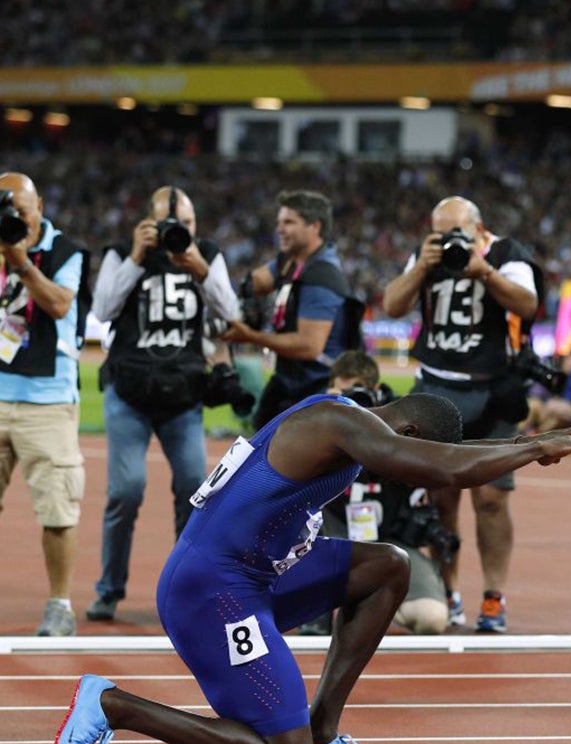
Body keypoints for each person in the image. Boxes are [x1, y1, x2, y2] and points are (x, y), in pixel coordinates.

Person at [53, 391, 571, 744]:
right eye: (413, 456)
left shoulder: (352, 423)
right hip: (213, 594)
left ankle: (322, 732)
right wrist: (532, 450)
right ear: (407, 437)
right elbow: (446, 470)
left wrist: (518, 443)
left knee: (387, 566)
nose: (409, 474)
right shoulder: (337, 423)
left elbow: (442, 457)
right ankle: (114, 705)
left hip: (255, 575)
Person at [381, 196, 541, 633]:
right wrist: (420, 267)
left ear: (479, 228)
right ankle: (448, 590)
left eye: (457, 232)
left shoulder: (507, 255)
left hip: (491, 390)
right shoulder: (426, 255)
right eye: (439, 232)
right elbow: (392, 306)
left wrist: (483, 271)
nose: (449, 240)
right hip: (435, 388)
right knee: (440, 499)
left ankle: (493, 596)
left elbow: (528, 305)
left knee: (491, 499)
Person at [86, 185, 241, 622]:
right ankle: (109, 589)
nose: (179, 231)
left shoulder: (207, 255)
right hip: (129, 393)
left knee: (195, 490)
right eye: (170, 223)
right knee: (125, 490)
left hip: (183, 396)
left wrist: (201, 269)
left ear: (197, 225)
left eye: (187, 224)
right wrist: (137, 257)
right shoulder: (123, 253)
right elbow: (101, 309)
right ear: (147, 224)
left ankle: (185, 592)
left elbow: (232, 313)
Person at [300, 350, 454, 636]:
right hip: (333, 534)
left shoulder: (403, 424)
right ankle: (316, 603)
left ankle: (375, 600)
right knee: (305, 521)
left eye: (356, 392)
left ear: (375, 391)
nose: (350, 401)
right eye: (342, 393)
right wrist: (327, 412)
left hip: (387, 537)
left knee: (431, 619)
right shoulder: (315, 420)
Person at [0, 172, 90, 637]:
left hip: (47, 399)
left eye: (23, 209)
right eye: (7, 210)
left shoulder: (65, 251)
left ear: (40, 208)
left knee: (58, 510)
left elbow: (57, 305)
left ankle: (60, 605)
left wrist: (19, 261)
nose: (16, 218)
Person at [221, 189, 364, 430]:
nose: (280, 229)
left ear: (315, 226)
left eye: (289, 222)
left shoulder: (321, 276)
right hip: (288, 381)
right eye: (279, 222)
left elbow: (309, 346)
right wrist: (210, 275)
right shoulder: (290, 262)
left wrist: (249, 335)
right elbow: (253, 282)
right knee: (258, 444)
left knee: (288, 461)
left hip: (316, 388)